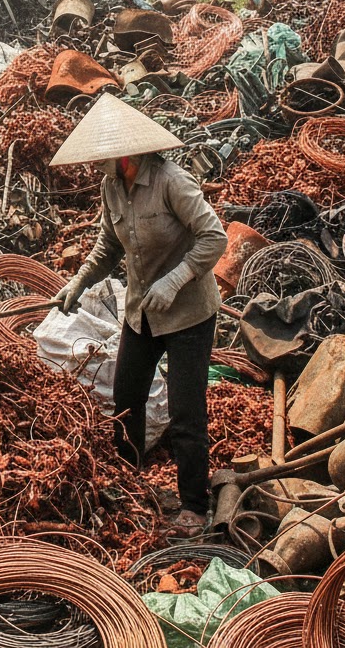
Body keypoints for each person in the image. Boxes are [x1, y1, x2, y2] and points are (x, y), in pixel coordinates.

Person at [50, 94, 227, 536]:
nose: (96, 166)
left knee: (187, 411)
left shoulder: (172, 182)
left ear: (125, 153)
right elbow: (107, 247)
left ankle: (193, 505)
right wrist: (79, 282)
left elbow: (214, 237)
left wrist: (175, 280)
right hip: (141, 315)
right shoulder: (112, 188)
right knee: (127, 398)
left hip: (188, 315)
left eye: (102, 157)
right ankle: (128, 481)